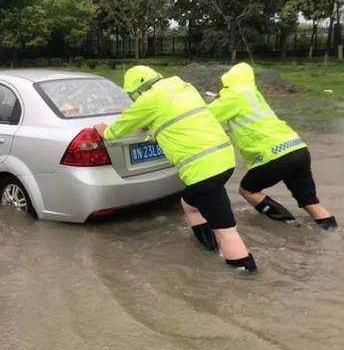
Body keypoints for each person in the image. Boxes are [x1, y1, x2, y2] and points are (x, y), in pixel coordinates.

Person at [94, 66, 257, 272]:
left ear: (136, 91)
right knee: (189, 202)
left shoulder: (149, 100)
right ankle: (208, 247)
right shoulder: (184, 88)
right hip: (224, 160)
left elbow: (115, 131)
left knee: (227, 230)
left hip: (203, 170)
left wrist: (103, 131)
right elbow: (177, 118)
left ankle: (244, 273)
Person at [208, 62, 337, 229]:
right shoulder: (254, 94)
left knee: (247, 190)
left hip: (275, 155)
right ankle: (331, 232)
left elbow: (203, 116)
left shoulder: (233, 96)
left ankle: (289, 225)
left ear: (228, 80)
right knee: (309, 201)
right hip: (298, 149)